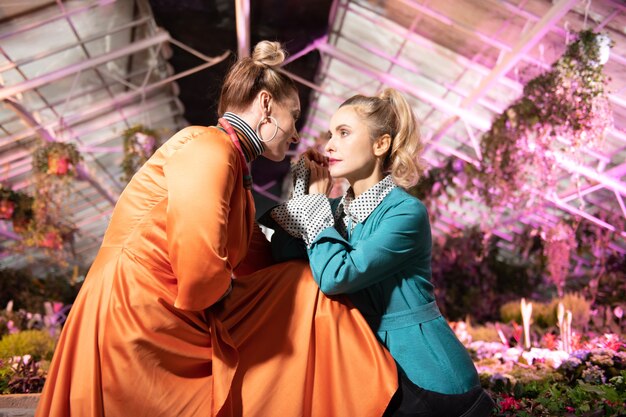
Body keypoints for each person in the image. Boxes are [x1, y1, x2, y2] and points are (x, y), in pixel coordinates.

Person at [36, 41, 398, 417]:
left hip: (159, 313)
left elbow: (264, 266)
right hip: (136, 316)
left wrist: (308, 194)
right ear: (265, 105)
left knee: (305, 285)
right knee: (304, 294)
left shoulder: (238, 178)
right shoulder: (210, 146)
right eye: (294, 116)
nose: (296, 134)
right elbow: (199, 258)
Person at [263, 88, 495, 417]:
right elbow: (279, 250)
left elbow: (335, 276)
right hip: (372, 372)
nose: (329, 145)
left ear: (380, 144)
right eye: (330, 134)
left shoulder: (405, 213)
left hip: (427, 381)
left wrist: (314, 207)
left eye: (343, 133)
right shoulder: (331, 214)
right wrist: (304, 193)